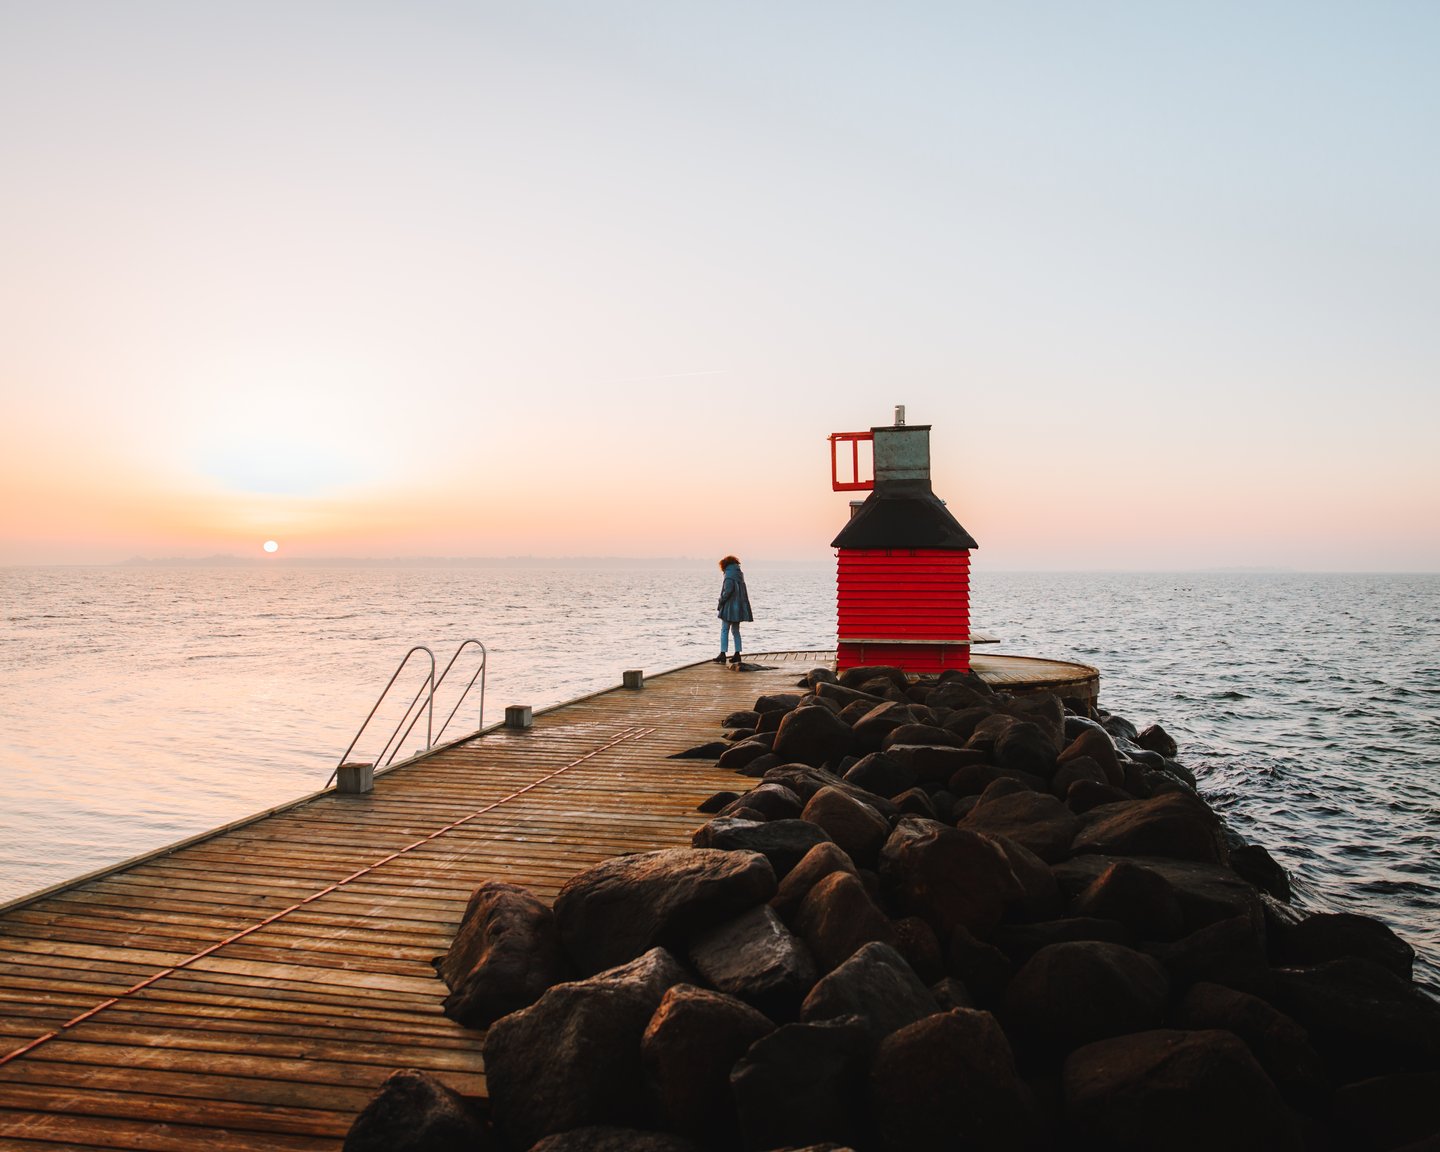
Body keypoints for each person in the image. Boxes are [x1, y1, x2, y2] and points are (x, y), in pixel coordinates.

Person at [714, 554, 753, 665]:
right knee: (736, 631)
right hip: (739, 608)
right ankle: (737, 654)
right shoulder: (739, 575)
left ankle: (722, 654)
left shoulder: (729, 576)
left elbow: (727, 592)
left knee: (724, 630)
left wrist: (720, 602)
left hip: (729, 608)